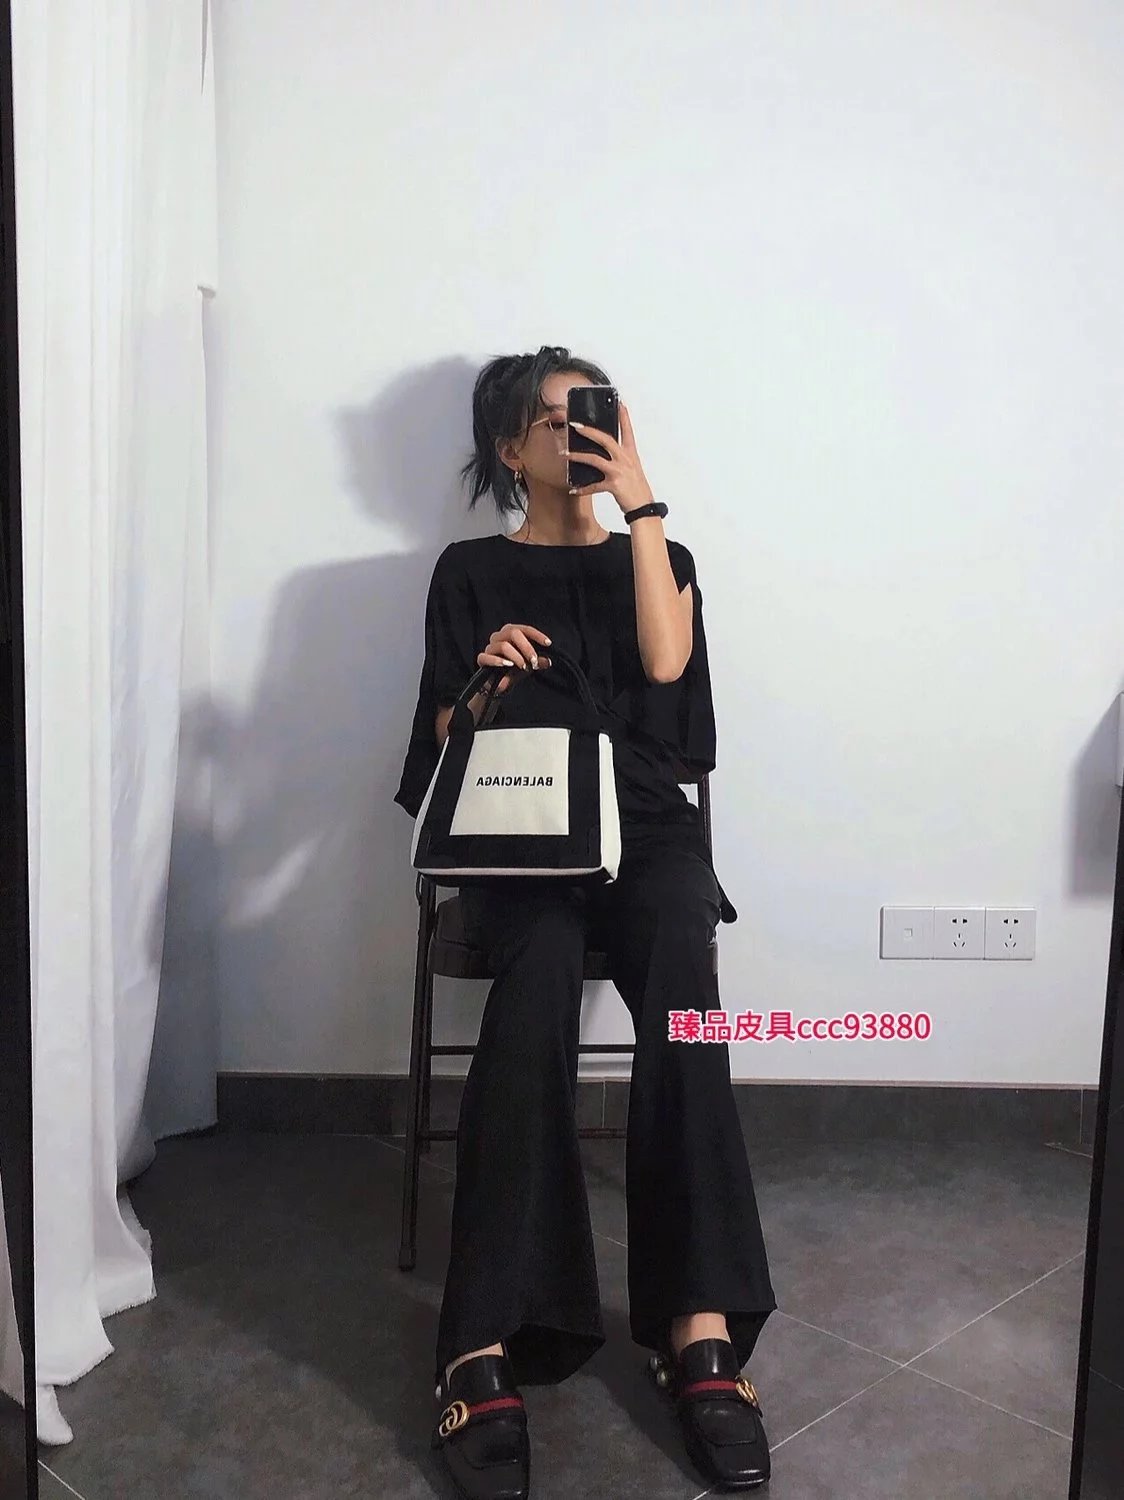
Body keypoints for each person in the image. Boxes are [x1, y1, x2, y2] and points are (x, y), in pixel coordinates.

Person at [394, 346, 777, 1498]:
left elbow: (665, 663)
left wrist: (640, 502)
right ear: (510, 448)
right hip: (523, 830)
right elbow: (439, 743)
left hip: (646, 827)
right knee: (540, 966)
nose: (581, 435)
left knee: (681, 965)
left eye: (596, 415)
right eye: (557, 421)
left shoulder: (663, 555)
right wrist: (482, 684)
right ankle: (482, 1334)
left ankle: (696, 1325)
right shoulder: (469, 571)